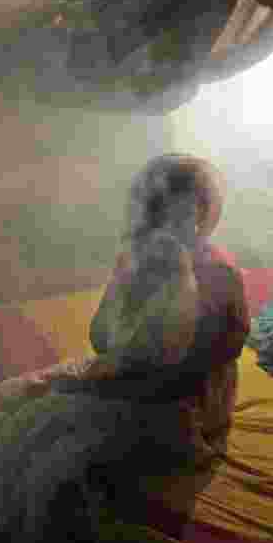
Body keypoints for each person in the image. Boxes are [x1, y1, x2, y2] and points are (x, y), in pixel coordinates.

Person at [86, 153, 250, 461]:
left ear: (202, 217)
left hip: (193, 401)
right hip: (144, 381)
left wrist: (144, 367)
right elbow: (99, 335)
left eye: (178, 214)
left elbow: (228, 345)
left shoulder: (218, 273)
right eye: (154, 211)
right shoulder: (134, 261)